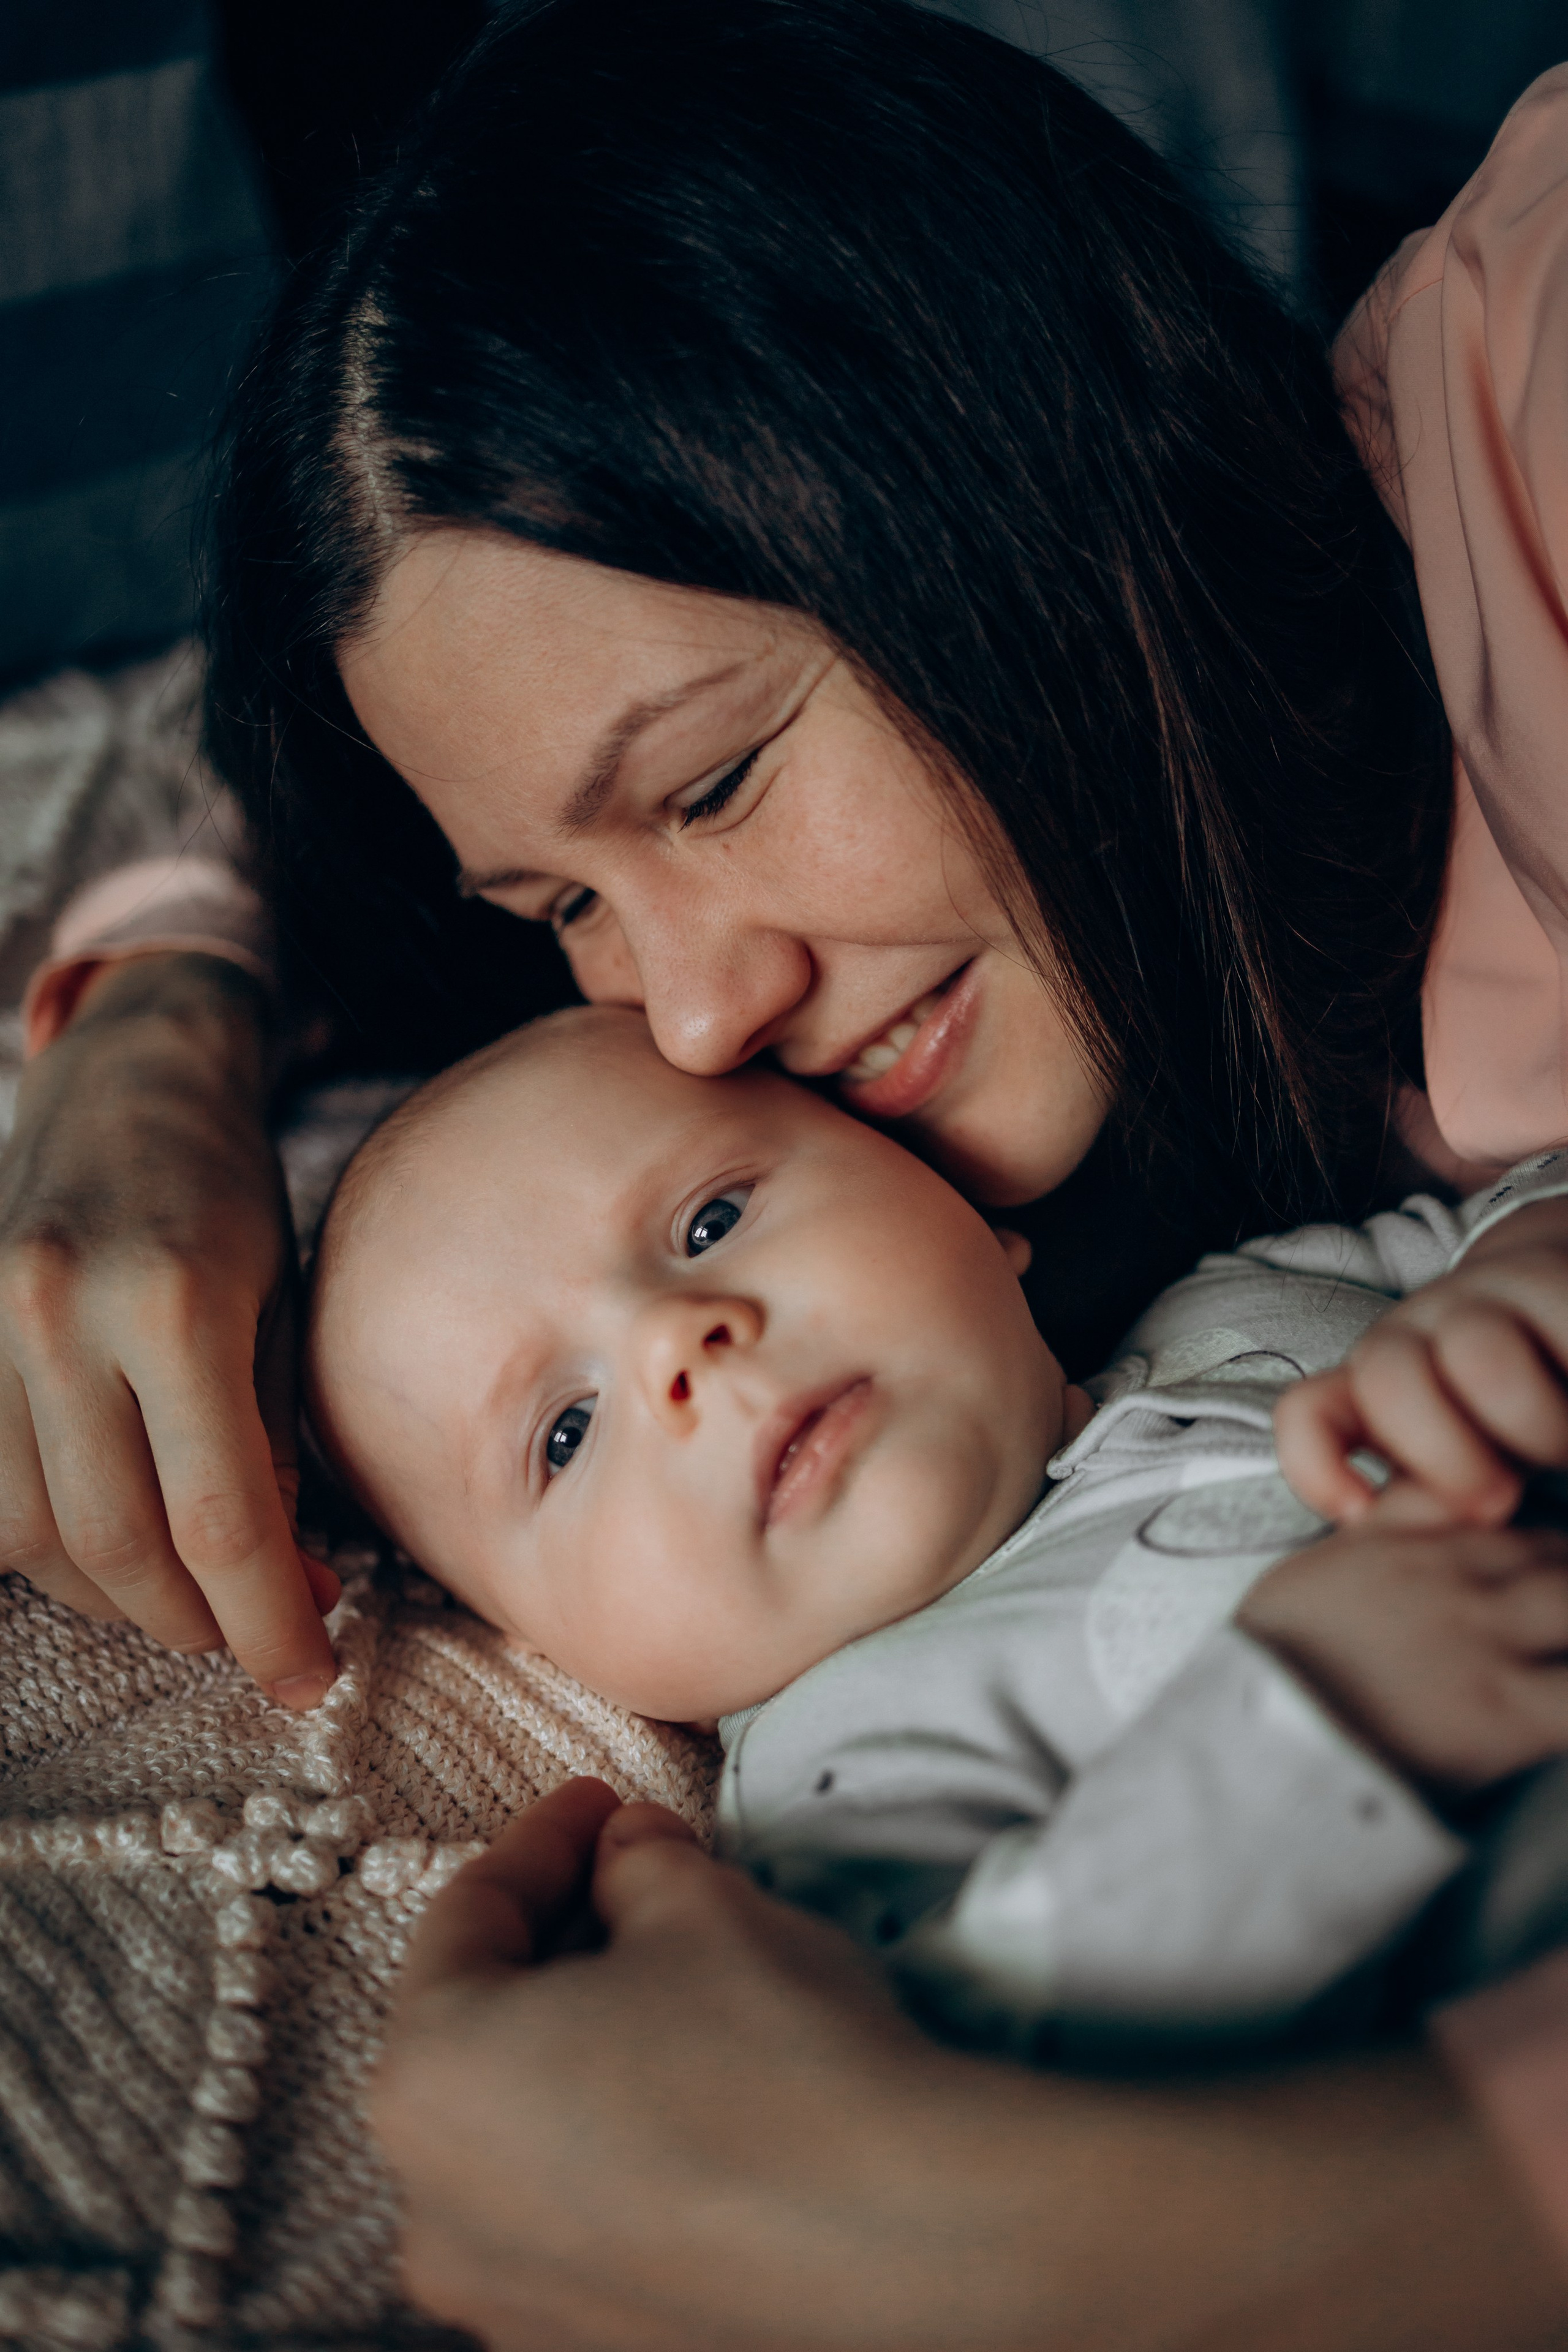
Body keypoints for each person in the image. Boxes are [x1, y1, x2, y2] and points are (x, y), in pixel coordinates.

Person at [5, 0, 1568, 2337]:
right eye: (566, 907)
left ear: (1008, 460)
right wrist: (159, 1014)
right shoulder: (870, 1708)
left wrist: (1026, 2248)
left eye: (721, 786)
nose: (701, 1015)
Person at [309, 1001, 1568, 2052]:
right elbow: (986, 2035)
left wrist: (1520, 1271)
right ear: (562, 1655)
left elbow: (1530, 1191)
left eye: (711, 1222)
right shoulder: (843, 1774)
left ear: (964, 1207)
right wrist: (1332, 1725)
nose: (672, 1341)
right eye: (566, 1434)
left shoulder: (1251, 1292)